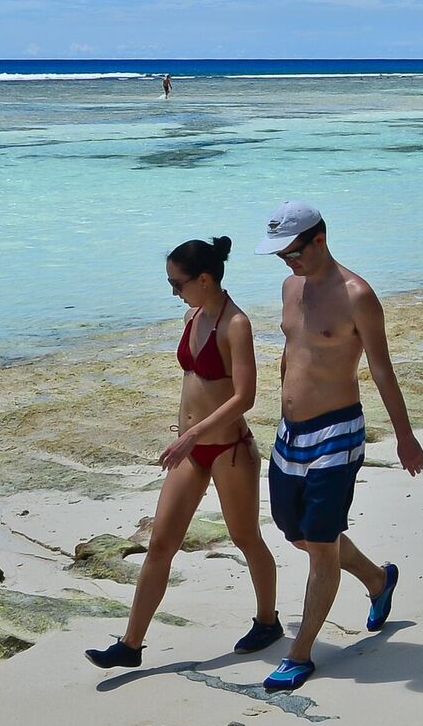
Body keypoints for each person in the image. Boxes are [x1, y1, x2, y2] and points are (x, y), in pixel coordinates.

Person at [86, 237, 283, 669]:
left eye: (178, 283)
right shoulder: (194, 316)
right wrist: (186, 435)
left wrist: (192, 435)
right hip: (190, 453)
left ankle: (268, 621)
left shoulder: (237, 325)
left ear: (205, 279)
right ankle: (130, 644)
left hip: (229, 449)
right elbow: (194, 384)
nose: (174, 292)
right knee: (160, 544)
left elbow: (245, 397)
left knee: (245, 538)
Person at [253, 201, 423, 691]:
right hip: (290, 435)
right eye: (282, 255)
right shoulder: (290, 286)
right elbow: (292, 351)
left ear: (319, 240)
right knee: (298, 533)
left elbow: (381, 368)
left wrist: (405, 437)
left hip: (336, 435)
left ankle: (300, 653)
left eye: (293, 253)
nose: (288, 262)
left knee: (320, 547)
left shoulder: (357, 296)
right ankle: (377, 579)